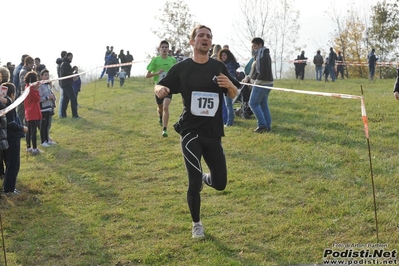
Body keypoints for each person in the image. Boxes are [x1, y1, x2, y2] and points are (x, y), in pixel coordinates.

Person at [154, 25, 239, 239]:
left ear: (211, 43)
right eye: (200, 36)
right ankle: (196, 224)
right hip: (190, 131)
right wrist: (159, 89)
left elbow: (233, 94)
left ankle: (205, 178)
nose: (205, 39)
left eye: (209, 36)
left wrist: (229, 84)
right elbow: (159, 86)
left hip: (213, 132)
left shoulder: (218, 66)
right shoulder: (182, 68)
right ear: (192, 42)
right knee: (193, 180)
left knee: (220, 184)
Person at [146, 40, 177, 137]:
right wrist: (157, 73)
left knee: (165, 107)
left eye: (166, 47)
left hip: (169, 87)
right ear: (159, 49)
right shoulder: (155, 60)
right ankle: (160, 116)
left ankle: (165, 129)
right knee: (160, 108)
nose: (164, 49)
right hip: (158, 87)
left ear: (168, 49)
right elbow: (147, 75)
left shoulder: (172, 60)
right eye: (162, 47)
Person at [243, 37, 274, 133]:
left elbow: (263, 71)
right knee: (263, 104)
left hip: (262, 83)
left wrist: (256, 82)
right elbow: (256, 70)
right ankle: (267, 126)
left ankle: (262, 125)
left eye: (254, 46)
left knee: (252, 103)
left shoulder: (262, 55)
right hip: (267, 83)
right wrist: (249, 77)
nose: (253, 48)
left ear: (260, 45)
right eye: (252, 46)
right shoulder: (261, 54)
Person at [2, 82, 28, 194]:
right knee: (13, 164)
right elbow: (11, 123)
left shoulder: (3, 104)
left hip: (5, 138)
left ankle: (7, 187)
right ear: (12, 94)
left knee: (9, 163)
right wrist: (22, 128)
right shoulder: (10, 105)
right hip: (12, 138)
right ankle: (9, 189)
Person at [217, 48, 240, 126]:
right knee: (228, 105)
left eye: (225, 55)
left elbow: (232, 76)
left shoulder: (230, 65)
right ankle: (228, 121)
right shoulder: (225, 64)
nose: (223, 57)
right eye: (222, 55)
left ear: (228, 56)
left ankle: (229, 122)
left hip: (228, 86)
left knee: (228, 104)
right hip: (225, 85)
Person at [23, 71, 42, 155]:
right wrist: (37, 89)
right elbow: (37, 99)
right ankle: (34, 148)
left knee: (29, 131)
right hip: (32, 112)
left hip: (29, 112)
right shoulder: (31, 89)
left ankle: (29, 147)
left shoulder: (26, 87)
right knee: (33, 131)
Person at [39, 69, 56, 146]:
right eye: (45, 75)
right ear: (41, 76)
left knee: (47, 125)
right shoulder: (40, 86)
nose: (47, 76)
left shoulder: (48, 85)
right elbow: (39, 99)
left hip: (49, 108)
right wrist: (47, 97)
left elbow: (51, 95)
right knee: (43, 125)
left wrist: (53, 98)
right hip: (43, 109)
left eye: (48, 75)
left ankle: (47, 139)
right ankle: (43, 141)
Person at [60, 52, 80, 118]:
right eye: (70, 57)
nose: (71, 58)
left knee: (66, 100)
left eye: (72, 57)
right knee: (73, 98)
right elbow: (64, 73)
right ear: (67, 56)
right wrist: (72, 74)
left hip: (67, 83)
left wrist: (73, 71)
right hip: (67, 84)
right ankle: (75, 115)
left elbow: (67, 72)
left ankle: (63, 115)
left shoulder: (67, 63)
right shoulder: (65, 63)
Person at [18, 55, 36, 125]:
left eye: (33, 63)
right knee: (21, 114)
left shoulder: (29, 71)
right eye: (31, 63)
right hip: (24, 95)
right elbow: (23, 85)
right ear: (26, 63)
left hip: (28, 94)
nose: (32, 65)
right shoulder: (24, 71)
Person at [56, 51, 67, 118]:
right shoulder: (61, 64)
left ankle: (62, 113)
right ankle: (60, 114)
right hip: (62, 82)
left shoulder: (60, 64)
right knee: (62, 98)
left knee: (64, 98)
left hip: (62, 82)